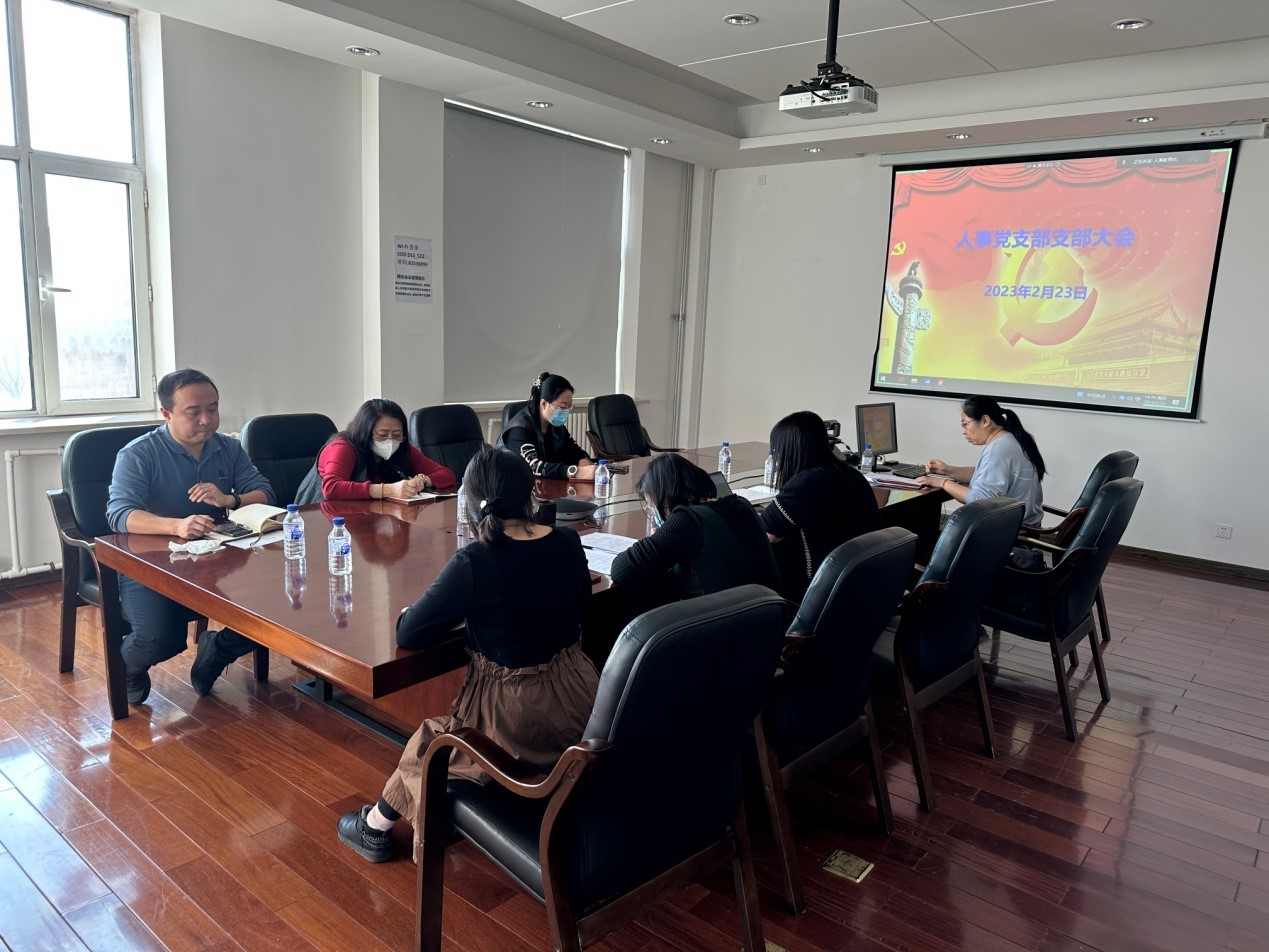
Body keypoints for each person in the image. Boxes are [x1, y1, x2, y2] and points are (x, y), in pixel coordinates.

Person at [337, 448, 598, 864]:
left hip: (517, 718)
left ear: (471, 502)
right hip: (581, 699)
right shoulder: (567, 541)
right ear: (530, 495)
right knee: (447, 739)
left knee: (431, 742)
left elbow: (410, 632)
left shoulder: (476, 559)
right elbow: (579, 601)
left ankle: (375, 827)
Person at [105, 369, 276, 704]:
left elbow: (264, 493)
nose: (206, 420)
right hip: (151, 561)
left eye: (213, 409)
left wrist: (230, 499)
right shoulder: (138, 454)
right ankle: (126, 667)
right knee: (160, 639)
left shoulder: (227, 447)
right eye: (193, 412)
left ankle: (218, 649)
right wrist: (176, 526)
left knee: (279, 605)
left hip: (219, 556)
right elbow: (120, 514)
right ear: (166, 413)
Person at [609, 453, 778, 604]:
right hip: (768, 615)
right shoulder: (741, 504)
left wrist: (658, 537)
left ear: (665, 500)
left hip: (720, 622)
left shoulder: (686, 520)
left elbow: (621, 570)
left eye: (652, 506)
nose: (653, 513)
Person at [760, 410, 882, 602]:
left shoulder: (806, 483)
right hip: (858, 583)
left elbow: (765, 534)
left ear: (790, 450)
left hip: (819, 590)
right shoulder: (850, 474)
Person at [917, 395, 1046, 527]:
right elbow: (981, 474)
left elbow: (978, 499)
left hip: (1011, 531)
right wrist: (947, 470)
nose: (964, 432)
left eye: (965, 424)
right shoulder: (1009, 439)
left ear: (985, 421)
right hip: (1025, 524)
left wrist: (942, 483)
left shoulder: (998, 448)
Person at [298, 399, 456, 503]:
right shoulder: (343, 447)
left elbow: (447, 475)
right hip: (323, 519)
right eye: (382, 434)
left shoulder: (402, 447)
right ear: (365, 433)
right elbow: (331, 489)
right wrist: (389, 490)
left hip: (370, 517)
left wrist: (423, 480)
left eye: (397, 434)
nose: (391, 440)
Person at [498, 372, 596, 480]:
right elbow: (533, 467)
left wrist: (582, 460)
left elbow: (573, 450)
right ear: (543, 403)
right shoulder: (520, 429)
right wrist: (575, 472)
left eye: (569, 406)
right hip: (512, 485)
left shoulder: (555, 425)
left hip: (544, 484)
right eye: (562, 406)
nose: (566, 411)